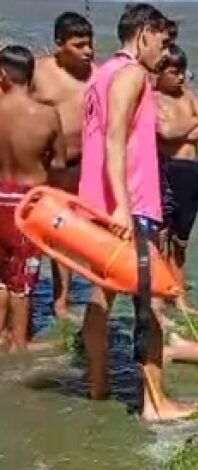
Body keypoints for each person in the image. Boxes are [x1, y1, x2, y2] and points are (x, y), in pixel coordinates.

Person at [78, 3, 194, 422]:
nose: (166, 54)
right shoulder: (130, 74)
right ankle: (155, 402)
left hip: (95, 202)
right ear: (144, 33)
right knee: (152, 304)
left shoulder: (100, 74)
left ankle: (97, 384)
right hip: (127, 206)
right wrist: (125, 211)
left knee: (100, 294)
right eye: (163, 43)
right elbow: (113, 142)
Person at [0, 45, 66, 352]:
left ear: (2, 74)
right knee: (23, 282)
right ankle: (20, 343)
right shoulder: (47, 115)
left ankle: (2, 336)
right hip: (28, 204)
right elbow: (59, 164)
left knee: (1, 277)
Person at [32, 12, 94, 319]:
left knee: (66, 234)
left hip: (81, 165)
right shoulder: (39, 72)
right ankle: (22, 299)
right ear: (59, 44)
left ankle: (61, 301)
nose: (87, 51)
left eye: (89, 44)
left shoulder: (97, 76)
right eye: (78, 44)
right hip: (42, 166)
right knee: (33, 235)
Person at [155, 44, 198, 313]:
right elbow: (165, 133)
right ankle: (159, 295)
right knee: (161, 237)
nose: (180, 78)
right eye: (173, 72)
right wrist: (194, 122)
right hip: (168, 168)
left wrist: (186, 127)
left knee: (181, 239)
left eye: (182, 72)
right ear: (159, 73)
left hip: (191, 171)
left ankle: (179, 296)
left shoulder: (188, 96)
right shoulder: (153, 98)